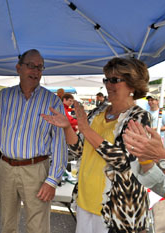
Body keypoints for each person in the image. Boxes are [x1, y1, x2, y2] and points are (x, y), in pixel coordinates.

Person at [42, 57, 154, 232]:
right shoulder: (98, 112)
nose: (108, 84)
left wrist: (86, 130)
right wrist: (67, 128)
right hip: (86, 198)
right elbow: (80, 151)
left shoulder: (140, 117)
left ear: (132, 85)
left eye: (115, 80)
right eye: (106, 79)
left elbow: (123, 160)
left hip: (119, 207)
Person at [0, 49, 67, 233]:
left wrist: (52, 180)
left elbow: (60, 143)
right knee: (7, 224)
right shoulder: (4, 96)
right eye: (31, 66)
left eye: (40, 67)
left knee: (38, 227)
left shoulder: (52, 102)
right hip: (6, 167)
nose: (36, 71)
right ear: (18, 68)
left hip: (37, 169)